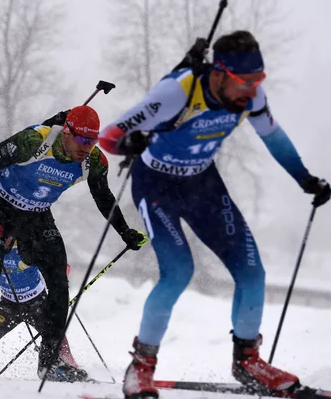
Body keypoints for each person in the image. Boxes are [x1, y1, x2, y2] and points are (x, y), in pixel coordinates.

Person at [97, 30, 331, 399]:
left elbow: (274, 138)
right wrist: (130, 142)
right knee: (178, 272)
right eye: (244, 82)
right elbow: (108, 136)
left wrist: (306, 179)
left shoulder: (251, 96)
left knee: (252, 271)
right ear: (219, 74)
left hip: (202, 184)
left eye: (258, 81)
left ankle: (247, 362)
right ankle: (140, 367)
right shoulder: (178, 91)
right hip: (156, 185)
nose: (252, 91)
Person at [0, 105, 148, 382]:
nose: (85, 148)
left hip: (37, 215)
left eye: (91, 142)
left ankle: (50, 363)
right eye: (81, 140)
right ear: (66, 132)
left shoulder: (93, 161)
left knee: (58, 281)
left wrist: (124, 231)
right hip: (1, 207)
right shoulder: (33, 141)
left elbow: (103, 197)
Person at [0, 239, 85, 379]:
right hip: (8, 305)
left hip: (37, 303)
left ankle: (75, 370)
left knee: (58, 340)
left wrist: (59, 271)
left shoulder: (30, 241)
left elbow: (61, 266)